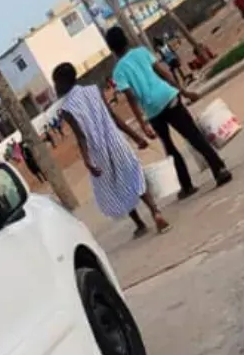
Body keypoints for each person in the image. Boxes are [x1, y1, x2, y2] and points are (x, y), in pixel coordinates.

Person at [106, 26, 232, 196]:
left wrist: (143, 124)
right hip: (169, 96)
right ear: (126, 39)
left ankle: (186, 186)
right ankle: (219, 170)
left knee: (170, 148)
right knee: (193, 135)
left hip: (152, 111)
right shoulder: (142, 52)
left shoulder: (118, 71)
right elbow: (164, 73)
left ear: (111, 49)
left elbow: (132, 98)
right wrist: (184, 91)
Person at [52, 63, 169, 238]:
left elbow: (81, 137)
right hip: (116, 142)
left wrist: (87, 161)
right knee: (134, 176)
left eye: (56, 82)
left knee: (116, 185)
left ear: (63, 82)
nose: (55, 87)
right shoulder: (94, 90)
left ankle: (139, 223)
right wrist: (136, 137)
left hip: (97, 152)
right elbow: (113, 118)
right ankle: (155, 212)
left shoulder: (67, 109)